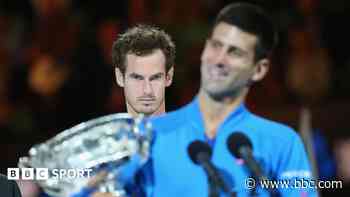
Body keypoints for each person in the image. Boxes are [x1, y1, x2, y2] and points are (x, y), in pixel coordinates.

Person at [136, 2, 315, 196]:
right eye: (216, 45)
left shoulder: (283, 142)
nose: (219, 60)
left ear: (259, 69)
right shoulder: (149, 134)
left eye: (234, 52)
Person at [71, 24, 175, 197]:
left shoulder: (194, 142)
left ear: (168, 77)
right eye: (137, 78)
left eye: (155, 78)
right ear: (120, 77)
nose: (147, 90)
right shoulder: (97, 153)